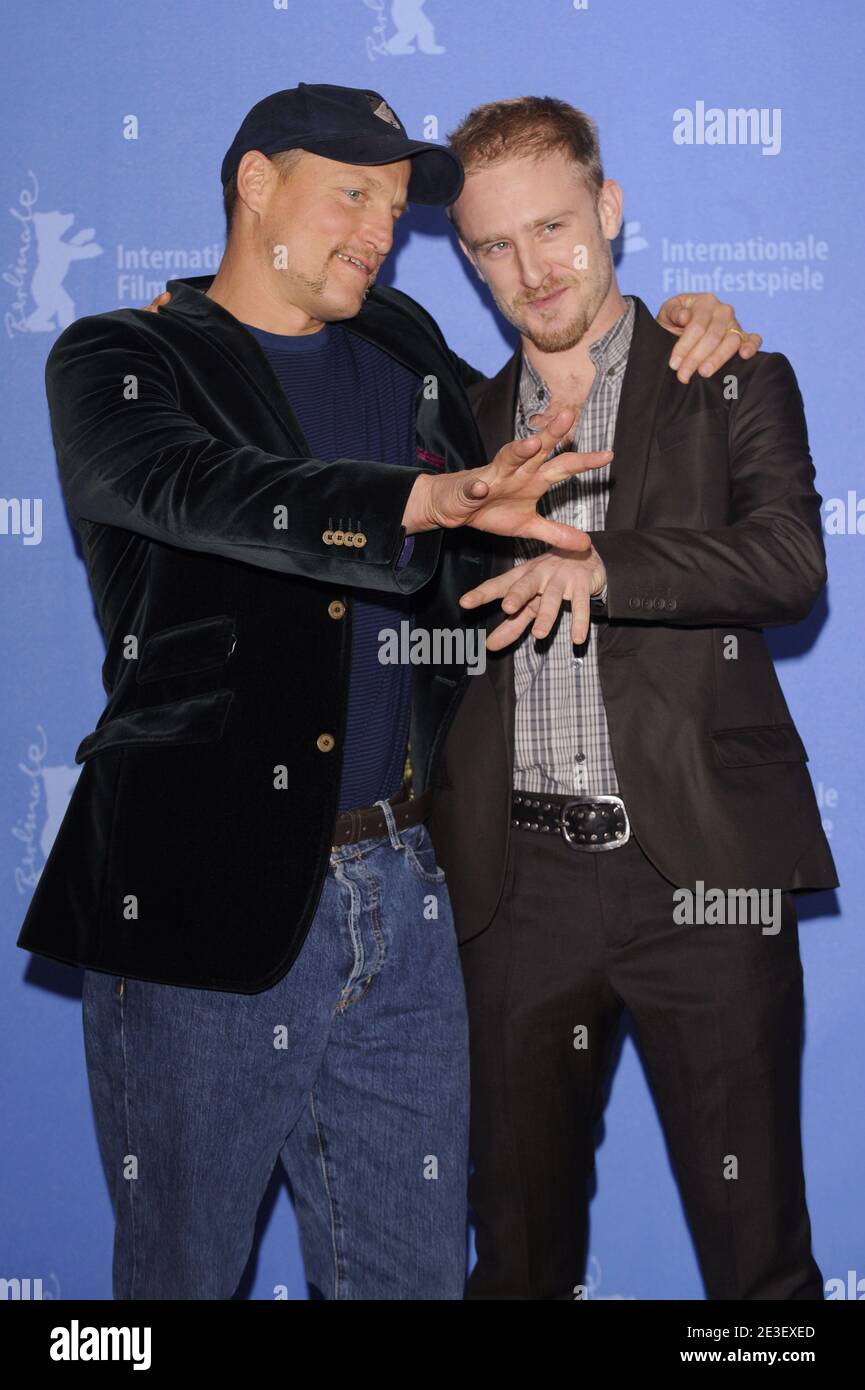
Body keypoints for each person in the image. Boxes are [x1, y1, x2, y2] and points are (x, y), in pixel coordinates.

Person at [18, 80, 758, 1301]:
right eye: (351, 192)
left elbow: (521, 437)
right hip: (199, 888)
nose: (379, 226)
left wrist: (680, 334)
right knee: (178, 1282)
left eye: (395, 203)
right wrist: (409, 503)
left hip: (408, 899)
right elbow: (203, 491)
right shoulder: (123, 356)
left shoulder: (403, 342)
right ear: (255, 183)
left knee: (410, 1280)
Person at [430, 95, 838, 1300]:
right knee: (515, 1263)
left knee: (756, 1261)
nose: (531, 268)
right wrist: (181, 317)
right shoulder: (452, 425)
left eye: (552, 227)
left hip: (702, 877)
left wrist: (606, 567)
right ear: (466, 258)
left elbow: (789, 563)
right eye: (494, 246)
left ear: (607, 210)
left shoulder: (727, 374)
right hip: (510, 892)